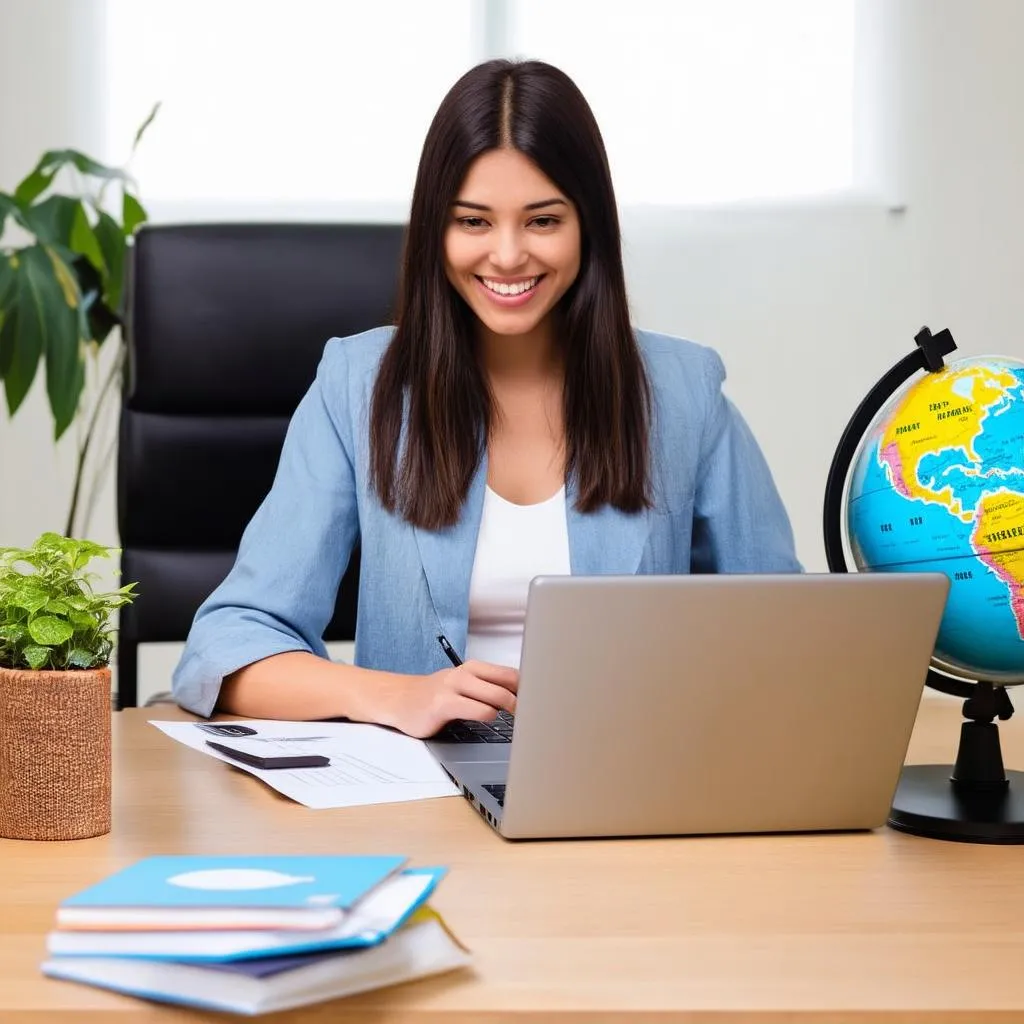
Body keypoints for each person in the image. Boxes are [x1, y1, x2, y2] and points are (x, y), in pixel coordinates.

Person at [172, 58, 801, 736]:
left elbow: (789, 638)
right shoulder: (358, 385)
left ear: (588, 225)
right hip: (420, 798)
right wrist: (393, 696)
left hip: (628, 788)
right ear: (435, 230)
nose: (506, 255)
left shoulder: (684, 393)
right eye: (473, 221)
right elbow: (227, 647)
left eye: (541, 221)